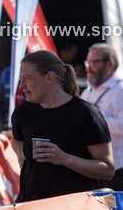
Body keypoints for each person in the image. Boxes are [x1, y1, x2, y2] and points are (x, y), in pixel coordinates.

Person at [11, 50, 115, 202]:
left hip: (74, 208)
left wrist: (65, 159)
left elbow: (108, 170)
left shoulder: (86, 114)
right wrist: (22, 159)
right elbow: (16, 140)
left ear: (49, 77)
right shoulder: (22, 113)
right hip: (32, 206)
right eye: (21, 79)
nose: (21, 86)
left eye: (27, 78)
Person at [81, 43, 123, 190]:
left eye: (94, 62)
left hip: (120, 170)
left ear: (110, 65)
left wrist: (97, 116)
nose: (88, 67)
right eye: (87, 62)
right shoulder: (88, 91)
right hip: (95, 168)